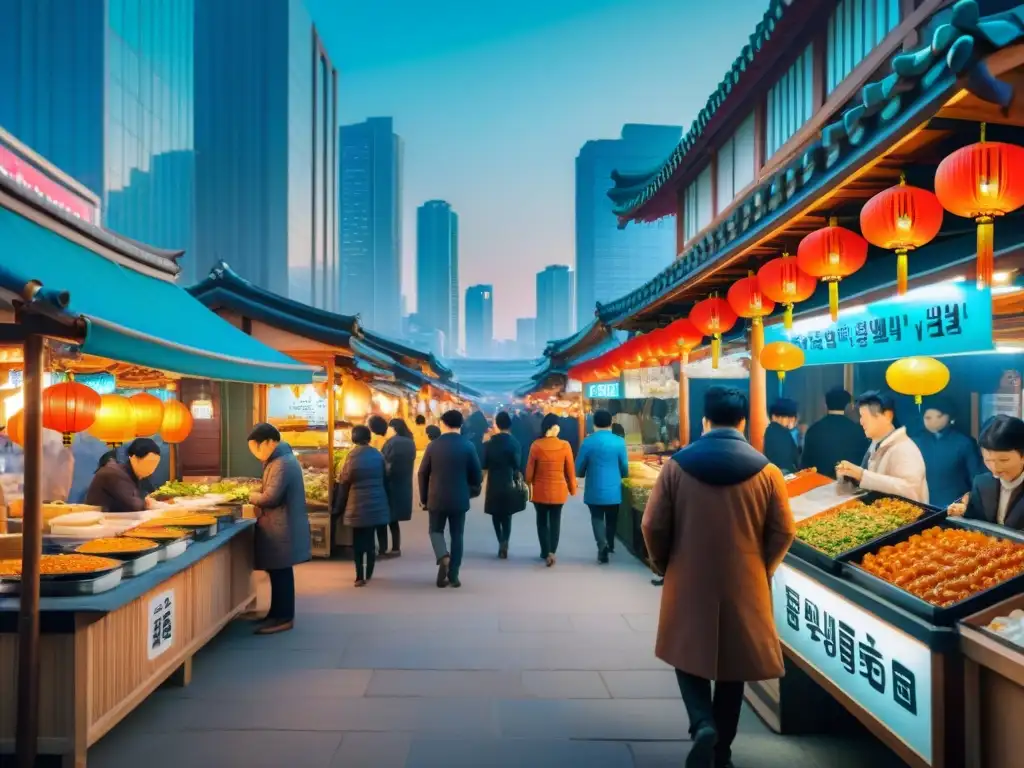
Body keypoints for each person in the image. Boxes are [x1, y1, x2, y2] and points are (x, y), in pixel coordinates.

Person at [642, 386, 795, 768]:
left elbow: (653, 524)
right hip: (745, 580)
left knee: (685, 651)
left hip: (689, 576)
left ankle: (701, 723)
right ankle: (722, 750)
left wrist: (664, 564)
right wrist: (765, 566)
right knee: (734, 665)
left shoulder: (677, 466)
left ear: (704, 421)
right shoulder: (767, 471)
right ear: (743, 422)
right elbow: (784, 530)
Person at [247, 423, 311, 635]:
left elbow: (271, 497)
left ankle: (283, 618)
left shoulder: (281, 463)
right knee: (277, 572)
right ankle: (276, 613)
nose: (256, 454)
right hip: (280, 525)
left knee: (281, 572)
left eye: (256, 448)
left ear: (269, 442)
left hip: (281, 526)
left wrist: (251, 496)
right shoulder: (278, 460)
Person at [418, 410, 483, 588]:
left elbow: (422, 472)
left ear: (444, 424)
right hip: (459, 497)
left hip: (436, 497)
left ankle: (442, 556)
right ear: (460, 425)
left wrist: (424, 497)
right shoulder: (468, 446)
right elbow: (477, 475)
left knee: (435, 530)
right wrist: (469, 488)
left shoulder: (433, 445)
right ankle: (454, 575)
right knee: (457, 535)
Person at [837, 391, 928, 503]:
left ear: (887, 415)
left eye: (864, 416)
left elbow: (911, 490)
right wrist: (849, 475)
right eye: (860, 416)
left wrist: (862, 475)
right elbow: (865, 483)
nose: (861, 422)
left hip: (909, 517)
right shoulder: (876, 443)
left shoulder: (904, 448)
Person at [334, 425, 390, 586]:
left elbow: (344, 482)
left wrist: (339, 507)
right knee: (370, 539)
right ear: (369, 438)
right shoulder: (378, 455)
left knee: (358, 541)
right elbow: (386, 478)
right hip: (376, 502)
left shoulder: (351, 456)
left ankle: (359, 576)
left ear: (354, 438)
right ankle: (370, 570)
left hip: (356, 504)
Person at [949, 415, 1024, 529]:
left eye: (1003, 460)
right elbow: (977, 521)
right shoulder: (982, 483)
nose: (995, 469)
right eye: (988, 460)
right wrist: (963, 512)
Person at [576, 409, 629, 563]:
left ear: (594, 424)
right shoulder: (619, 442)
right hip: (613, 488)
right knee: (612, 517)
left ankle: (602, 546)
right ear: (610, 423)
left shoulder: (588, 441)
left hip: (594, 487)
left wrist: (582, 472)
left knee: (597, 517)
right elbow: (624, 466)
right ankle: (610, 544)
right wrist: (624, 475)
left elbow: (579, 467)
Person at [526, 413, 578, 567]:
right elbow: (570, 470)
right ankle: (552, 552)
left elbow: (529, 473)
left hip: (540, 490)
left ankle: (544, 550)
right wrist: (572, 489)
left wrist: (529, 483)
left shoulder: (536, 445)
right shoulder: (565, 445)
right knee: (555, 520)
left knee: (541, 520)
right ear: (553, 427)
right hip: (558, 491)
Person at [912, 398, 984, 508]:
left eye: (939, 416)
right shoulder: (915, 442)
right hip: (921, 503)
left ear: (950, 417)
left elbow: (976, 476)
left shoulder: (964, 443)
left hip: (954, 505)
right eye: (928, 417)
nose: (933, 421)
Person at [800, 388, 870, 479]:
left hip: (819, 485)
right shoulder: (858, 430)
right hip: (850, 486)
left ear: (826, 405)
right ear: (848, 406)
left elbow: (805, 464)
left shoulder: (814, 429)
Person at [482, 411, 524, 558]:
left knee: (495, 514)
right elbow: (518, 464)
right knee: (507, 515)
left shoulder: (490, 443)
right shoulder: (514, 443)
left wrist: (478, 482)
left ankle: (500, 539)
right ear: (509, 425)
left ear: (496, 424)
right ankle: (505, 540)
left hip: (494, 481)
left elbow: (484, 465)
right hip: (508, 480)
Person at [85, 438, 164, 512]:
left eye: (155, 465)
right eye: (149, 463)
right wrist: (149, 503)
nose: (152, 469)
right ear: (134, 458)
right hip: (97, 523)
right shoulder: (114, 473)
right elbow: (134, 505)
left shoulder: (133, 475)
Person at [378, 418, 416, 557]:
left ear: (393, 428)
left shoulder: (392, 442)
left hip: (388, 484)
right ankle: (395, 548)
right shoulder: (410, 441)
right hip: (403, 484)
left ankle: (382, 549)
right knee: (394, 519)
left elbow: (385, 461)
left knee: (382, 518)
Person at [762, 398, 800, 474]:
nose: (789, 420)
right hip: (786, 475)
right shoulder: (783, 432)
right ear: (774, 416)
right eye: (786, 416)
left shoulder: (769, 431)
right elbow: (796, 457)